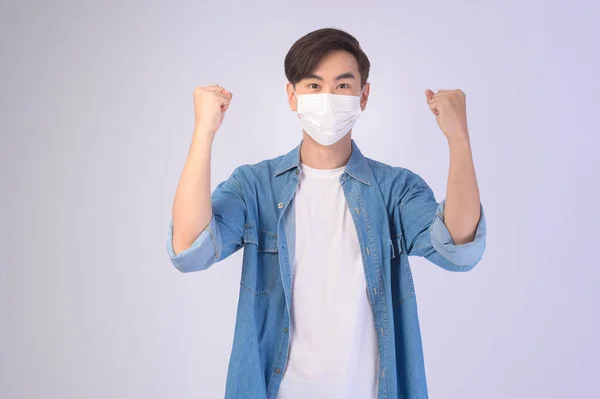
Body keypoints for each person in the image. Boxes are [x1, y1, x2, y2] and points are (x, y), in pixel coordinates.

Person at [166, 27, 486, 399]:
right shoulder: (255, 187)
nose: (328, 98)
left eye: (343, 86)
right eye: (314, 86)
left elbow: (460, 249)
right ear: (292, 95)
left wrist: (458, 137)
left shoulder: (395, 190)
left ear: (364, 95)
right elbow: (189, 249)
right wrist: (203, 132)